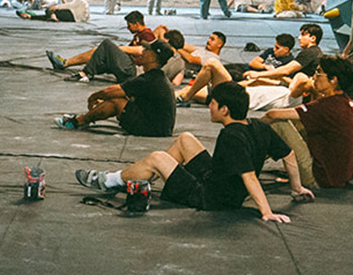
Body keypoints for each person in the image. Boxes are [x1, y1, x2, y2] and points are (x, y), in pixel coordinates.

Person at [75, 81, 312, 221]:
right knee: (186, 139)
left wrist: (267, 212)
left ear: (225, 109)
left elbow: (249, 176)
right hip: (216, 180)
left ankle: (111, 181)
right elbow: (288, 155)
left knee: (158, 157)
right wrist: (297, 188)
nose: (209, 106)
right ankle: (146, 178)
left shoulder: (231, 136)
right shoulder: (257, 125)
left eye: (213, 103)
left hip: (210, 197)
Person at [264, 55, 353, 189]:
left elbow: (272, 114)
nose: (313, 76)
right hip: (341, 175)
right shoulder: (346, 102)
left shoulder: (325, 106)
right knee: (297, 121)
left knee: (278, 122)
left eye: (318, 72)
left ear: (333, 80)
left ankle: (246, 155)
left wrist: (248, 129)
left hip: (321, 178)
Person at [56, 40, 177, 136]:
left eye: (146, 50)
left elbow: (110, 91)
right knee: (117, 98)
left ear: (152, 57)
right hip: (160, 127)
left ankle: (79, 121)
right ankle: (83, 119)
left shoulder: (150, 79)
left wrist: (94, 97)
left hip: (154, 129)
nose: (142, 51)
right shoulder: (157, 78)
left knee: (115, 101)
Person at [46, 11, 155, 82]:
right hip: (127, 66)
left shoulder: (147, 35)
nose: (128, 28)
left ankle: (85, 73)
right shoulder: (138, 36)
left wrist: (117, 49)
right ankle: (65, 63)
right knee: (97, 51)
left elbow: (141, 52)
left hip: (133, 70)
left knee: (107, 44)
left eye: (129, 26)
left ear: (136, 23)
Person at [241, 23, 323, 100]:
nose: (299, 37)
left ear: (313, 38)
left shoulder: (309, 53)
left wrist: (258, 74)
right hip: (296, 84)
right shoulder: (315, 52)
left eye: (303, 35)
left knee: (256, 82)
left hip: (298, 90)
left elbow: (286, 71)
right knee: (257, 81)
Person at [174, 31, 231, 104]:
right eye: (209, 38)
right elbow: (183, 45)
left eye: (212, 39)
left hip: (178, 66)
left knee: (186, 90)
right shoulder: (201, 49)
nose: (208, 41)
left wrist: (175, 47)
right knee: (186, 90)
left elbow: (190, 59)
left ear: (219, 44)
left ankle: (177, 98)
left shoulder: (212, 58)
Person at [19, 0, 90, 23]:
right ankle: (30, 16)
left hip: (71, 16)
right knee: (48, 16)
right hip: (74, 20)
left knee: (49, 10)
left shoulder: (78, 0)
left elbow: (67, 6)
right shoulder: (86, 3)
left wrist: (56, 7)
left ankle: (53, 16)